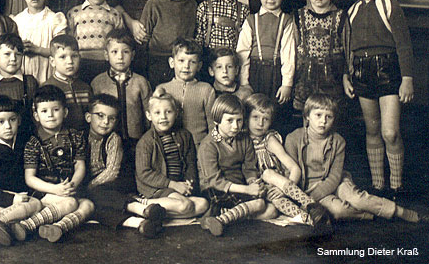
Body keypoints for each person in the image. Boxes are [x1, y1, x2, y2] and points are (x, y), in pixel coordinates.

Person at [285, 94, 422, 223]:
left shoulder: (338, 141)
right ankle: (370, 215)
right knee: (338, 211)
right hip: (306, 189)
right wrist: (304, 198)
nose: (323, 121)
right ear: (307, 116)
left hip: (336, 183)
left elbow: (334, 177)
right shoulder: (293, 138)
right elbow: (289, 173)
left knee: (356, 199)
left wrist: (311, 199)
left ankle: (397, 210)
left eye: (329, 117)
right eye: (318, 115)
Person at [346, 0, 414, 198]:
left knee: (390, 132)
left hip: (388, 71)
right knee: (372, 130)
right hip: (362, 72)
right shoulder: (351, 10)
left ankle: (397, 186)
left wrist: (407, 78)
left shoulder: (389, 4)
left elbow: (404, 44)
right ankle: (378, 185)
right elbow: (347, 48)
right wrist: (347, 75)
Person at [18, 86, 95, 242]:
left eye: (56, 110)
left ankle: (58, 227)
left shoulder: (76, 137)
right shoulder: (33, 143)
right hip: (44, 192)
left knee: (88, 205)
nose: (50, 115)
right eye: (44, 111)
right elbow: (30, 179)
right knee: (70, 203)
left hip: (67, 190)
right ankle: (26, 226)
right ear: (36, 115)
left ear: (65, 112)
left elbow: (80, 165)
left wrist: (71, 185)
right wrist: (55, 189)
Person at [85, 94, 165, 237]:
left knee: (94, 195)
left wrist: (90, 187)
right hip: (98, 188)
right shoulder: (81, 138)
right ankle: (139, 223)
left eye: (111, 118)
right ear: (88, 117)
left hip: (114, 182)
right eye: (100, 116)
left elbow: (112, 172)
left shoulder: (113, 139)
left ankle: (141, 209)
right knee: (92, 207)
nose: (105, 122)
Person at [244, 94, 329, 227]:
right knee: (276, 204)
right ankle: (309, 219)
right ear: (246, 117)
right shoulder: (242, 141)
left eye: (265, 119)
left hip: (282, 185)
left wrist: (283, 189)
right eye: (255, 117)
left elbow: (295, 169)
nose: (260, 123)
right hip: (259, 190)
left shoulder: (269, 140)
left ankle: (311, 204)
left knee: (267, 174)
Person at [198, 94, 275, 236]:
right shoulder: (208, 145)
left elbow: (249, 169)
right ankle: (222, 218)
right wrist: (248, 190)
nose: (235, 126)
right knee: (259, 205)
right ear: (217, 120)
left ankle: (220, 217)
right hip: (215, 189)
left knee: (272, 211)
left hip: (239, 187)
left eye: (239, 120)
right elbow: (215, 181)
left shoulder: (244, 139)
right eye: (229, 120)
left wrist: (255, 184)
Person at [0, 96, 42, 246]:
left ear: (19, 121)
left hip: (14, 198)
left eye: (12, 120)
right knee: (35, 205)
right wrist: (12, 199)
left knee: (38, 204)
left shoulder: (22, 142)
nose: (8, 126)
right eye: (1, 122)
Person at [236, 0, 295, 134]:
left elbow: (289, 54)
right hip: (255, 74)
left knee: (276, 116)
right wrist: (244, 82)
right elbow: (242, 54)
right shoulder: (251, 21)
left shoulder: (287, 21)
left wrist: (287, 84)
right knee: (254, 115)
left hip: (277, 75)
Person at [91, 28, 151, 186]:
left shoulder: (141, 82)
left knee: (133, 180)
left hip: (135, 142)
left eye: (125, 52)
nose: (120, 57)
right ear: (106, 55)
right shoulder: (98, 82)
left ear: (133, 55)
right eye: (114, 52)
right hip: (108, 143)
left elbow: (148, 116)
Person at [135, 93, 209, 220]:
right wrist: (172, 185)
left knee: (203, 204)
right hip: (156, 189)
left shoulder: (185, 135)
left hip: (177, 188)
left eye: (168, 111)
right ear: (149, 116)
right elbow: (144, 173)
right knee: (184, 205)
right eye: (157, 113)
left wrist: (188, 185)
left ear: (176, 113)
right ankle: (143, 204)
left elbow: (190, 163)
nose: (163, 117)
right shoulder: (146, 141)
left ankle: (154, 213)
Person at [294, 0, 349, 113]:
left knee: (330, 114)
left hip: (332, 78)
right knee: (306, 115)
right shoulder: (298, 16)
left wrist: (346, 76)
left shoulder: (341, 16)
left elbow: (348, 51)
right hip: (305, 79)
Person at [141, 0, 197, 88]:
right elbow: (143, 39)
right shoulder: (154, 4)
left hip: (185, 61)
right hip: (159, 61)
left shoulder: (193, 4)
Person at [67, 0, 124, 84]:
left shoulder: (114, 14)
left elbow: (120, 42)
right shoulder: (74, 13)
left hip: (105, 63)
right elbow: (70, 41)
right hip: (81, 63)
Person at [154, 38, 215, 149]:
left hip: (199, 146)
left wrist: (210, 147)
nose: (186, 66)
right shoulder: (162, 89)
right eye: (181, 61)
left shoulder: (206, 90)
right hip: (169, 146)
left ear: (199, 66)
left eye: (192, 62)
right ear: (172, 63)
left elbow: (212, 125)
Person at [11, 0, 67, 83]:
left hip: (47, 73)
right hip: (23, 75)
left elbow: (62, 51)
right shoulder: (17, 21)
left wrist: (37, 49)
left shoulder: (55, 19)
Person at [0, 32, 39, 137]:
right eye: (7, 54)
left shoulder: (30, 82)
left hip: (27, 140)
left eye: (18, 54)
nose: (13, 59)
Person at [194, 0, 249, 74]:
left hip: (231, 65)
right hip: (208, 62)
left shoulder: (243, 10)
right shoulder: (204, 7)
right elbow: (199, 38)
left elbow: (245, 43)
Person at [42, 34, 93, 131]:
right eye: (62, 57)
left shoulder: (85, 87)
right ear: (52, 61)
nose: (70, 61)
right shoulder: (47, 88)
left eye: (74, 56)